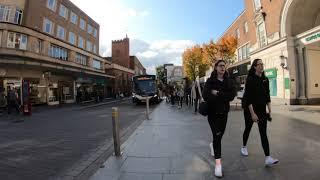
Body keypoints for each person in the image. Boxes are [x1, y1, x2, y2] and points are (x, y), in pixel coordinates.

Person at [240, 58, 279, 167]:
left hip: (261, 110)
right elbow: (248, 98)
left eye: (262, 64)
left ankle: (268, 158)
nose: (262, 66)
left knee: (263, 134)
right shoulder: (250, 79)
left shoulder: (265, 79)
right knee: (247, 129)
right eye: (259, 64)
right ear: (254, 67)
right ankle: (243, 147)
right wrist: (252, 114)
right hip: (250, 110)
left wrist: (270, 109)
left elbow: (267, 95)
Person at [202, 60, 236, 177]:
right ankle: (218, 164)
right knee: (217, 136)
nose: (223, 67)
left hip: (224, 113)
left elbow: (231, 96)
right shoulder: (210, 81)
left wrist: (217, 93)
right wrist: (222, 95)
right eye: (220, 66)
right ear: (215, 67)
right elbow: (205, 95)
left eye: (224, 66)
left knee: (219, 136)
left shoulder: (229, 81)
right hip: (212, 114)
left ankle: (213, 145)